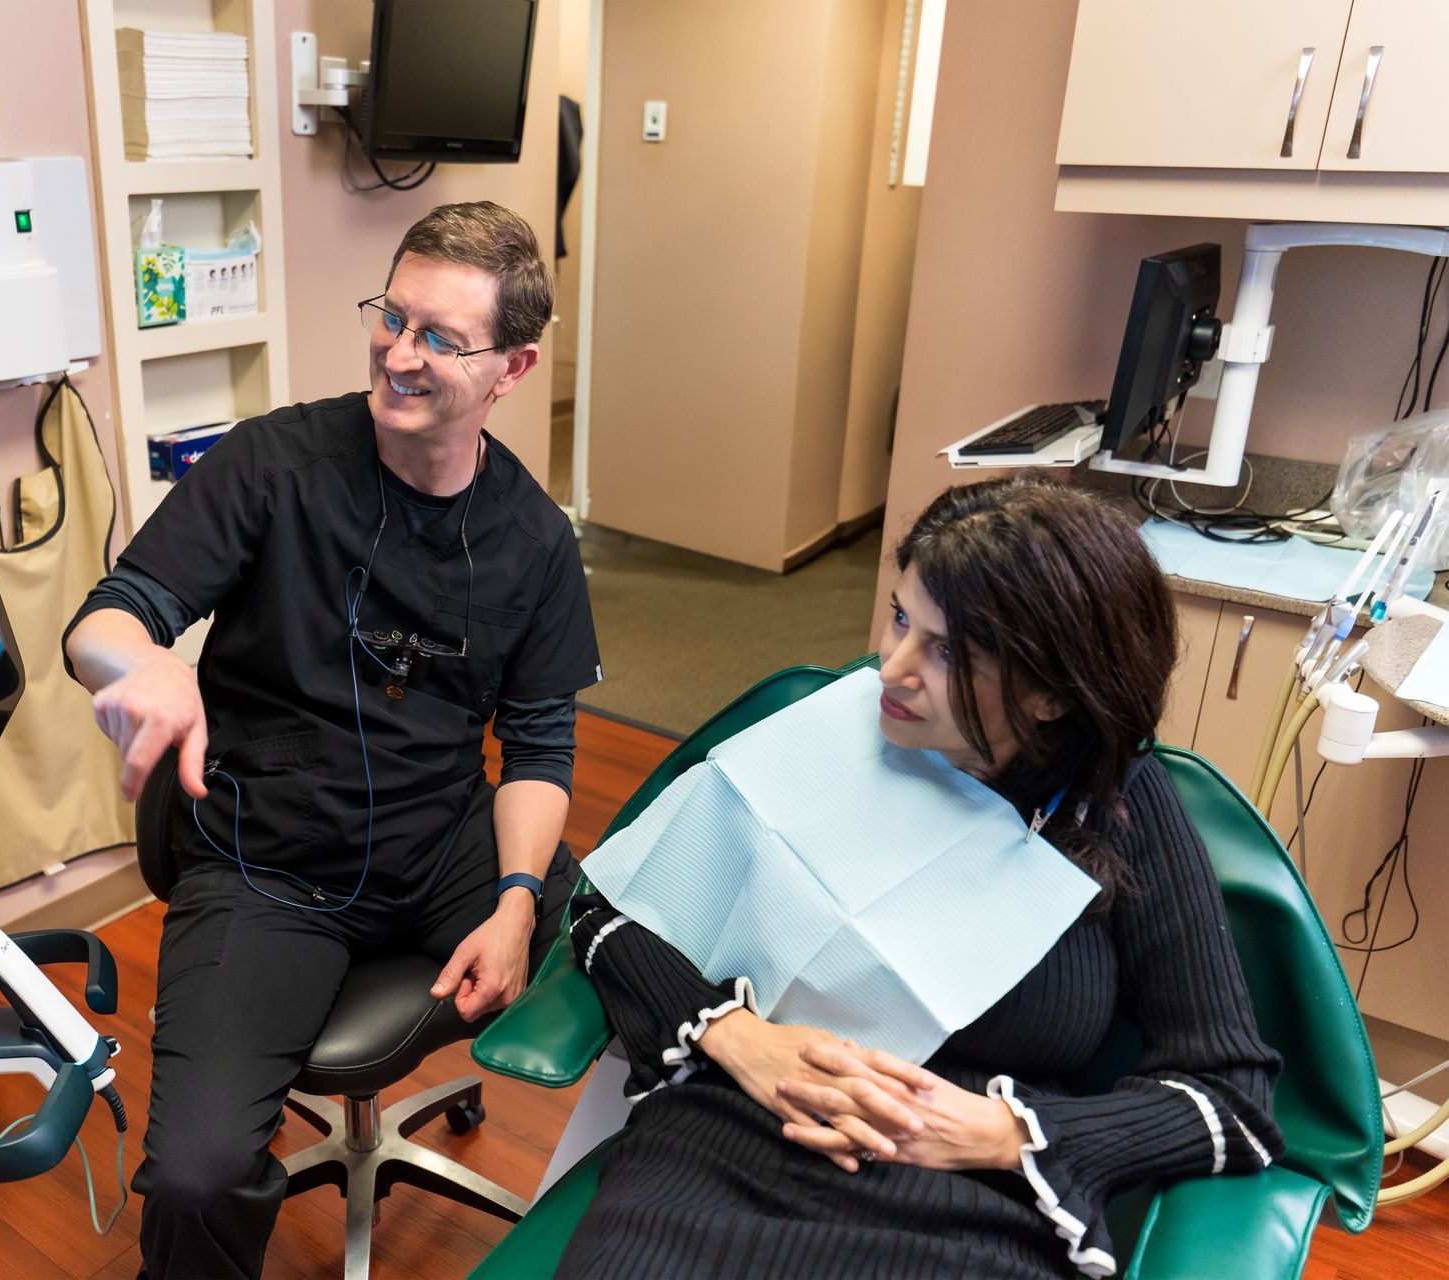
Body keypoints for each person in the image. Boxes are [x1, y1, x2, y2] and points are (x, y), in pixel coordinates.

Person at [558, 474, 1282, 1280]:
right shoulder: (832, 731)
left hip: (965, 1209)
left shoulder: (1112, 807)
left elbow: (1232, 1101)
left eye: (948, 651)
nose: (892, 668)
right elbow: (607, 913)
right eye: (901, 618)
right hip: (722, 1152)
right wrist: (740, 1040)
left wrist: (1005, 1133)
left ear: (1050, 692)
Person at [64, 201, 600, 1279]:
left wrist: (510, 901)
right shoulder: (274, 463)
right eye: (391, 317)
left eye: (439, 338)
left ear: (513, 366)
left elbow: (539, 747)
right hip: (269, 863)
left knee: (634, 953)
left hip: (442, 841)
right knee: (198, 1175)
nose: (399, 355)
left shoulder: (536, 541)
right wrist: (147, 661)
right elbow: (103, 619)